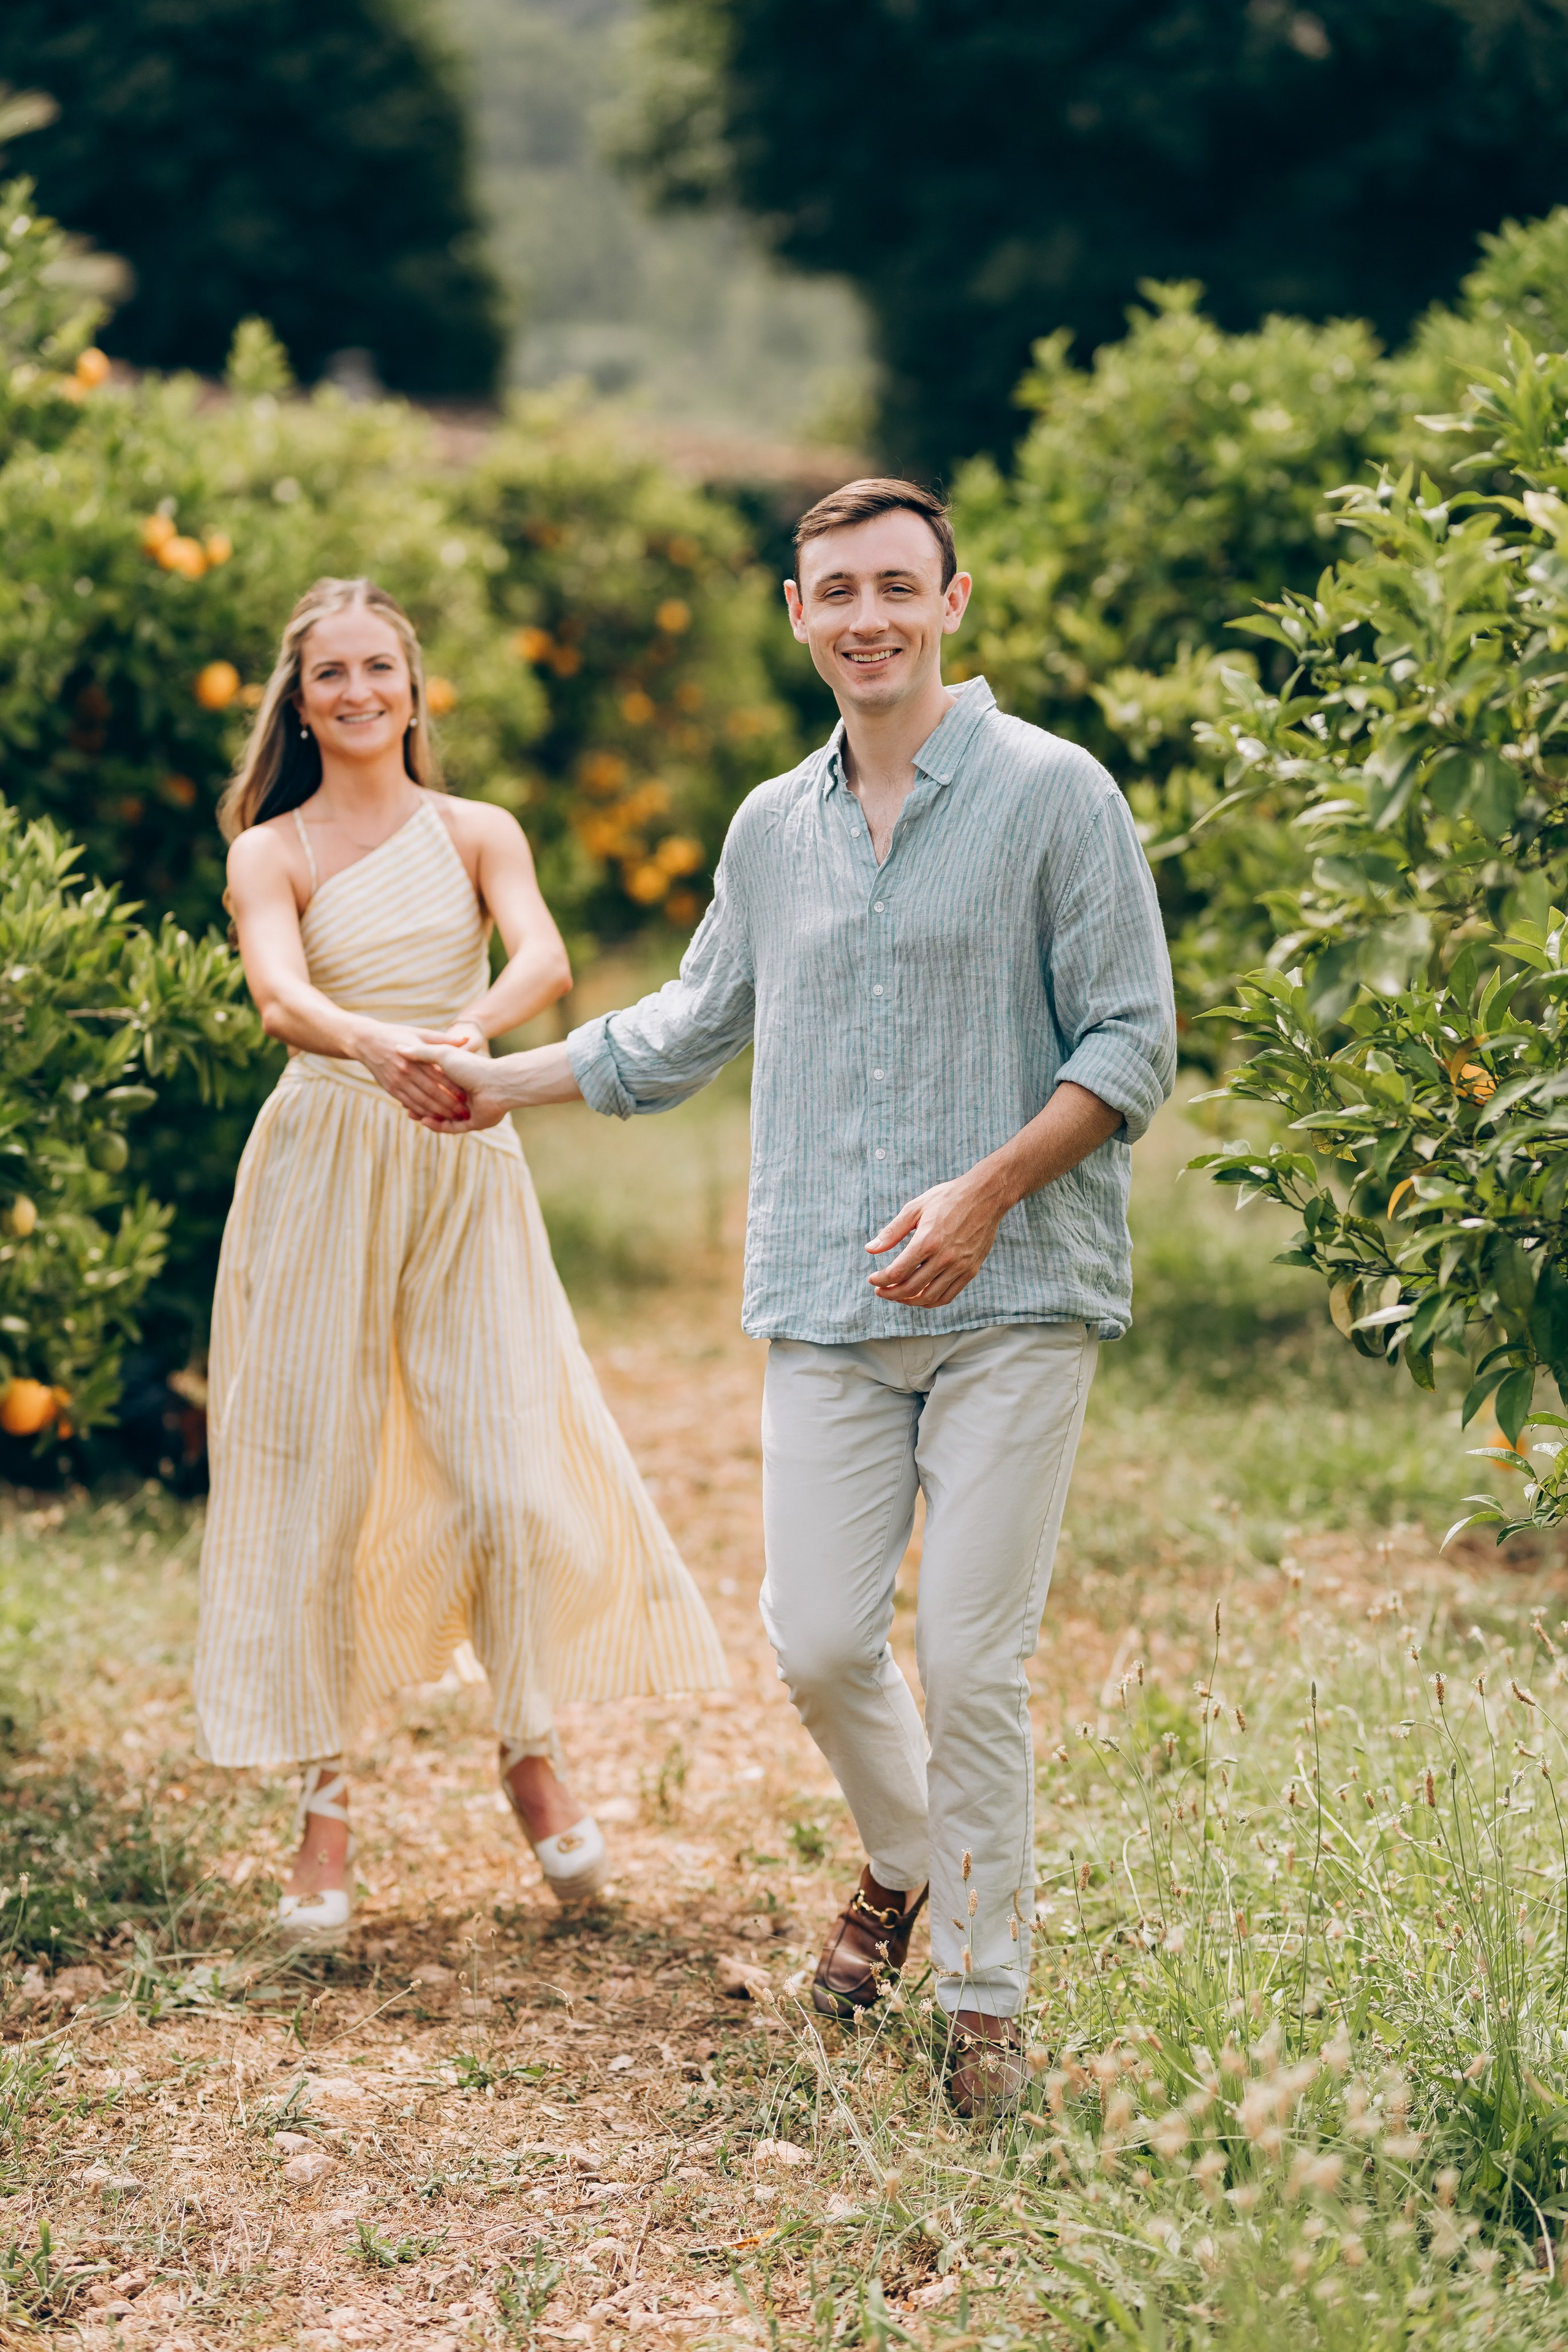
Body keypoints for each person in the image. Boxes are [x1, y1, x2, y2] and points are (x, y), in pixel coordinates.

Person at [413, 483, 1175, 2113]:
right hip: (828, 1296)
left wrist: (984, 1194)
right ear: (795, 611)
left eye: (899, 587)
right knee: (824, 1642)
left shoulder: (1058, 795)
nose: (868, 619)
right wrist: (499, 1083)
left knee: (971, 1659)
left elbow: (1130, 1041)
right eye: (838, 592)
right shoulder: (774, 825)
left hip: (1019, 1289)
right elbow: (690, 1021)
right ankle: (907, 1864)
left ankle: (985, 2005)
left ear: (954, 601)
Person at [194, 576, 726, 1949]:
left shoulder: (478, 827)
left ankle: (527, 1746)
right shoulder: (273, 847)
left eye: (380, 668)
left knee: (503, 1472)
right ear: (298, 704)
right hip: (324, 1155)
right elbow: (276, 992)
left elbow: (544, 954)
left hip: (463, 1145)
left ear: (414, 688)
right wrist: (374, 1046)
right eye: (330, 676)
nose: (358, 692)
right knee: (318, 1472)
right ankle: (323, 1800)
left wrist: (460, 1040)